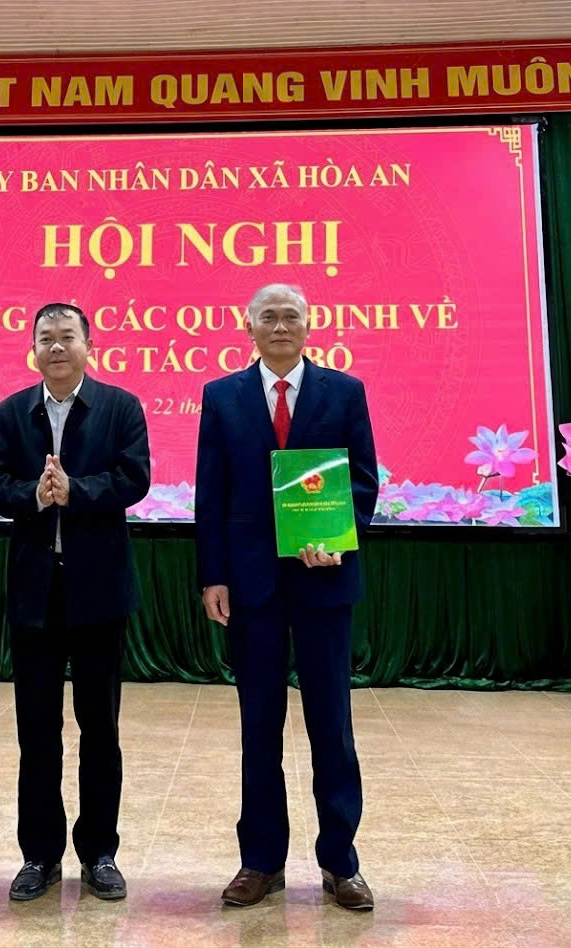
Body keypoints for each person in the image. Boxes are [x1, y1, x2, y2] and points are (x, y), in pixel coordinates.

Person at [194, 284, 379, 911]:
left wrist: (338, 538)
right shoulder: (222, 396)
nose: (279, 325)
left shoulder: (344, 392)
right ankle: (261, 861)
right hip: (252, 586)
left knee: (332, 726)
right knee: (259, 728)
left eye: (290, 316)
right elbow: (211, 494)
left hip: (324, 580)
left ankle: (341, 863)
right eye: (267, 317)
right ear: (248, 326)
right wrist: (213, 576)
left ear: (308, 324)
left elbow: (362, 482)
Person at [0, 302, 150, 902]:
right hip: (35, 594)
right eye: (46, 338)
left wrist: (75, 491)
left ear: (88, 346)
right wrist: (34, 494)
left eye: (67, 336)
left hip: (98, 592)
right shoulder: (10, 412)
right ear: (33, 348)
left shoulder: (120, 407)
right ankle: (39, 855)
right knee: (37, 731)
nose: (56, 346)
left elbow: (134, 478)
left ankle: (100, 853)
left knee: (99, 728)